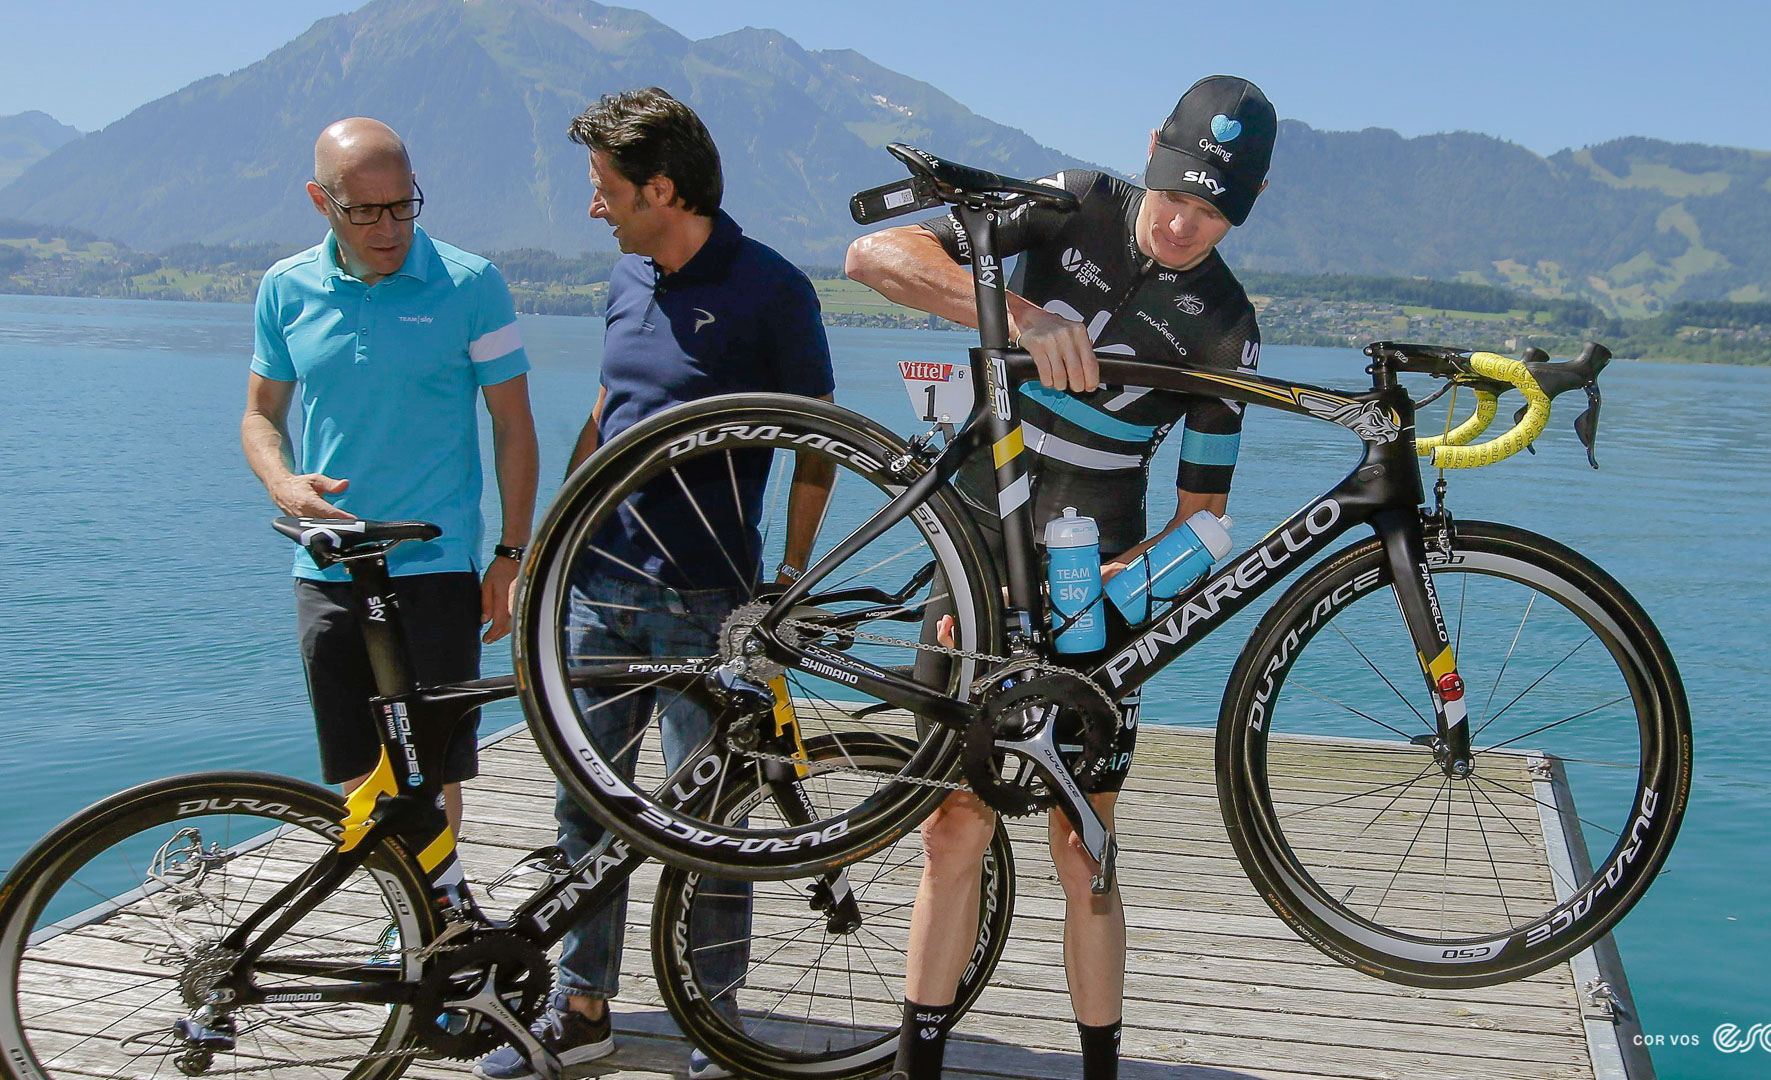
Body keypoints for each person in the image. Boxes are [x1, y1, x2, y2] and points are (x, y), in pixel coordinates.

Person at [843, 75, 1277, 1080]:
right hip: (977, 561)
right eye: (1175, 193)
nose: (1181, 223)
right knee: (953, 831)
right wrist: (1022, 314)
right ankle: (918, 1067)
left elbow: (1200, 520)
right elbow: (875, 255)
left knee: (1087, 852)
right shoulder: (1071, 202)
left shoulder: (1226, 323)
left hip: (1101, 591)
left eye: (1213, 213)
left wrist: (1123, 592)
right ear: (1152, 151)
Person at [475, 88, 835, 1080]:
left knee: (712, 830)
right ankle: (580, 1005)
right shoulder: (627, 279)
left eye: (605, 189)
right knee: (585, 810)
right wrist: (548, 543)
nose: (594, 207)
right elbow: (608, 412)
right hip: (598, 589)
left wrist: (793, 573)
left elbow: (818, 445)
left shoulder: (772, 290)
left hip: (713, 603)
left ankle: (714, 1023)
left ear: (660, 189)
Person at [243, 117, 538, 835]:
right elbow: (259, 417)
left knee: (431, 771)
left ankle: (433, 927)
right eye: (365, 210)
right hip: (327, 564)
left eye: (403, 204)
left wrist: (509, 554)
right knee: (360, 772)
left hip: (433, 565)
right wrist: (282, 484)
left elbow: (514, 426)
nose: (389, 226)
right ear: (322, 202)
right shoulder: (285, 289)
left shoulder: (472, 285)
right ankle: (398, 920)